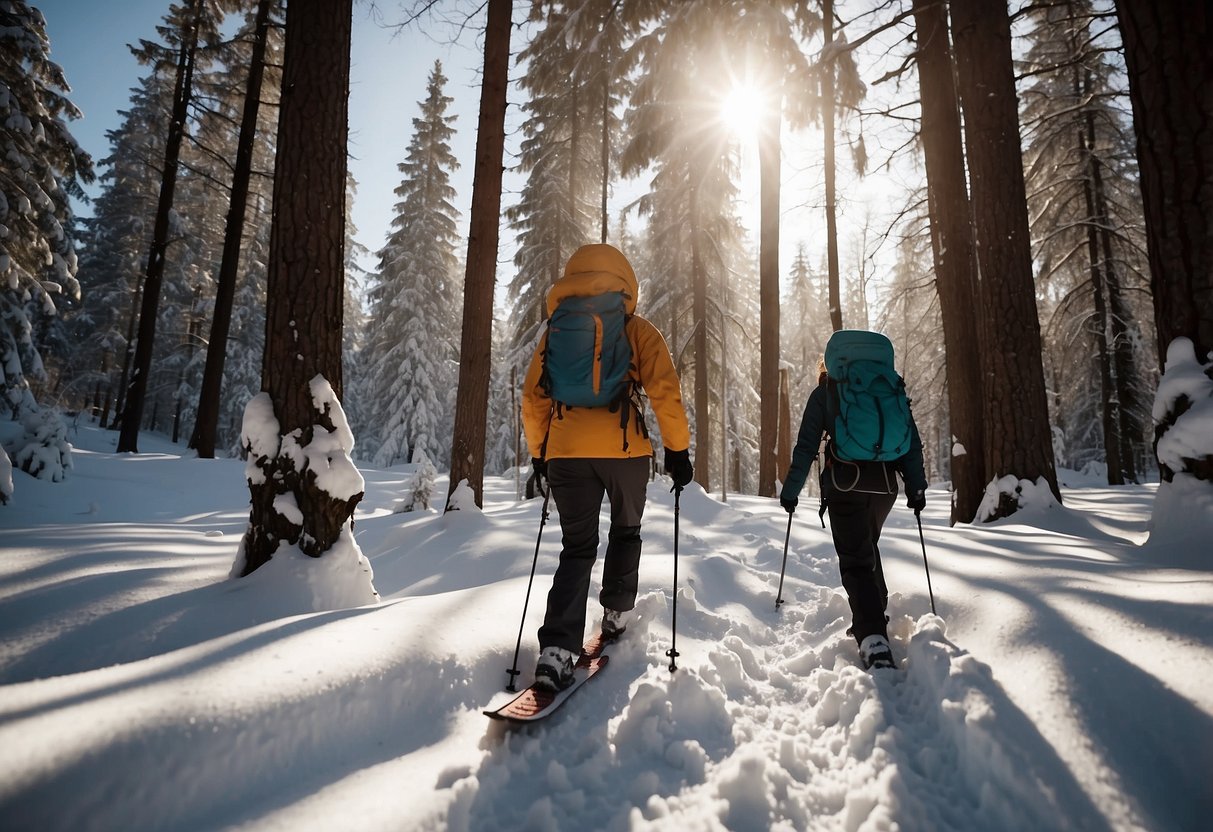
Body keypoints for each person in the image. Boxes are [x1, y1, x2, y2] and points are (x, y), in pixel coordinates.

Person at [522, 243, 694, 691]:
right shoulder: (637, 329)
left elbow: (533, 397)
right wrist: (678, 450)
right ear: (624, 281)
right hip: (625, 452)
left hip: (566, 450)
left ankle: (557, 648)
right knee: (626, 530)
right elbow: (664, 389)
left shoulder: (554, 331)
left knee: (577, 548)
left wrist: (540, 453)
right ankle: (616, 612)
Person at [779, 354, 927, 670]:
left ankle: (874, 638)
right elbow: (911, 443)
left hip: (846, 483)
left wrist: (790, 491)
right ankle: (875, 610)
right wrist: (916, 488)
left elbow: (806, 446)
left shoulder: (828, 391)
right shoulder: (887, 388)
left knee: (856, 561)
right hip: (885, 486)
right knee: (866, 546)